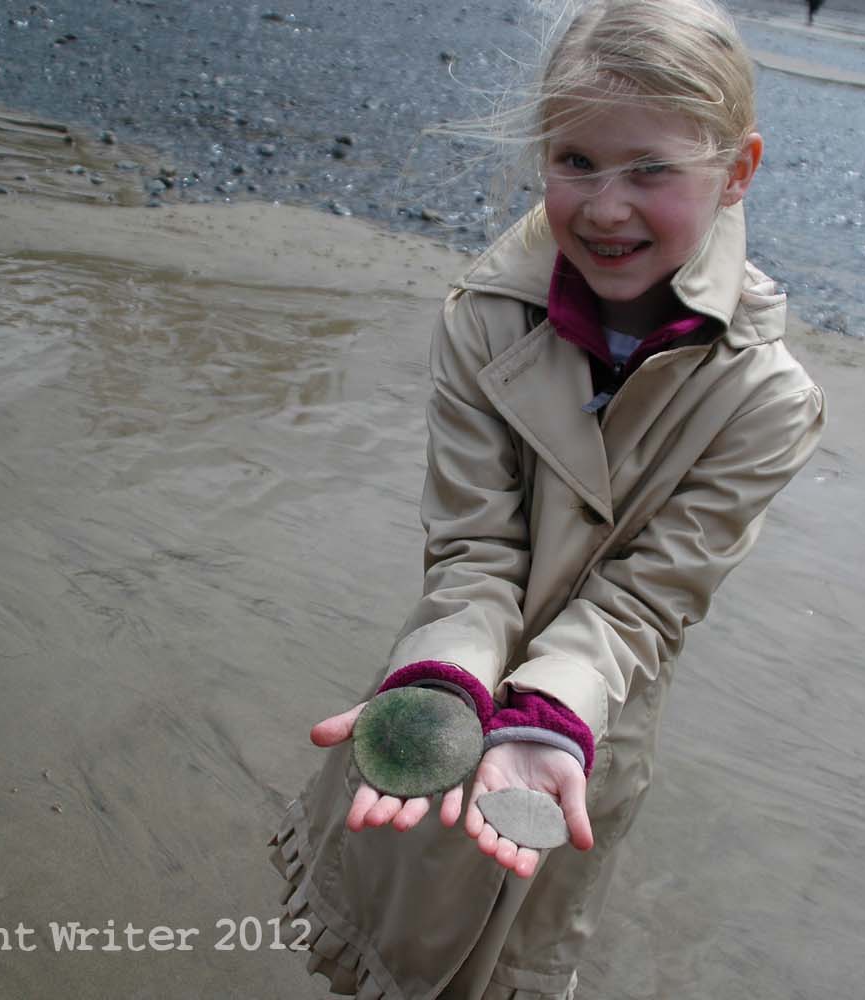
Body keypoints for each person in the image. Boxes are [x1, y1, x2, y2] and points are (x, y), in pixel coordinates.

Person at [270, 1, 826, 996]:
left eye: (650, 170)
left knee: (506, 949)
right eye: (576, 161)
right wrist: (442, 677)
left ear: (737, 170)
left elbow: (645, 603)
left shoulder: (768, 399)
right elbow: (473, 548)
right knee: (386, 925)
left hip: (577, 733)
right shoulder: (484, 319)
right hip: (446, 681)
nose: (607, 208)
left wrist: (547, 711)